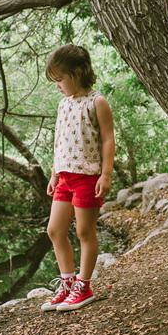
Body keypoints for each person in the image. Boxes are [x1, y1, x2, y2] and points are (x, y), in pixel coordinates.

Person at [40, 44, 115, 312]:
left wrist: (105, 174)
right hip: (64, 177)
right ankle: (68, 283)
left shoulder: (97, 102)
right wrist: (54, 173)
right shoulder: (63, 105)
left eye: (60, 79)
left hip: (87, 176)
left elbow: (107, 140)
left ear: (78, 72)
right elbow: (59, 141)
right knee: (55, 230)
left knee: (84, 231)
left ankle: (84, 287)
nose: (58, 85)